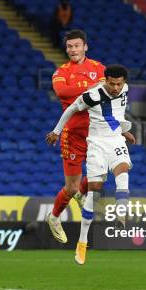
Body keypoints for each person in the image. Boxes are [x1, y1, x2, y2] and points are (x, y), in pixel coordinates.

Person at [47, 64, 135, 264]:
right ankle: (82, 241)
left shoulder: (125, 89)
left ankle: (122, 212)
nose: (115, 88)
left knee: (122, 170)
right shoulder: (92, 95)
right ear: (105, 80)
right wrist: (56, 131)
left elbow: (116, 114)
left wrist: (123, 131)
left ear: (124, 83)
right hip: (95, 144)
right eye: (111, 84)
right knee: (94, 190)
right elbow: (70, 109)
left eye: (118, 84)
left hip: (115, 141)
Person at [46, 29, 105, 244]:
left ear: (85, 47)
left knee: (101, 174)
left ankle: (82, 193)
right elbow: (63, 93)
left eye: (77, 46)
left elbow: (106, 92)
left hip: (96, 132)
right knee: (70, 187)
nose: (73, 50)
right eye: (70, 46)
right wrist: (92, 88)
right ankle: (53, 218)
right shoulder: (60, 72)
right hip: (72, 134)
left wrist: (85, 89)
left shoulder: (98, 67)